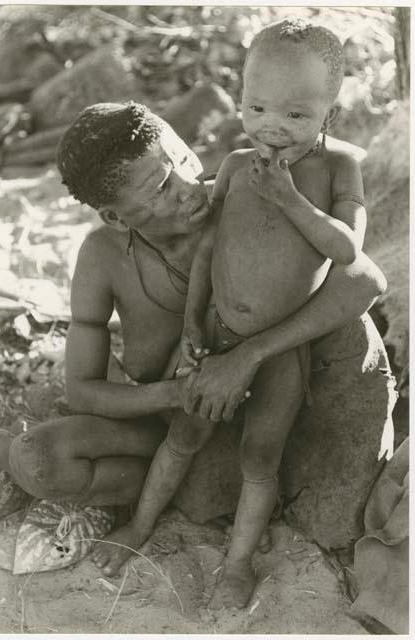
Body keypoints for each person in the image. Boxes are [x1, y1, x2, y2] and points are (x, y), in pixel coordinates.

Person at [0, 96, 385, 604]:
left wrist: (245, 358)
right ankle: (168, 498)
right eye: (159, 188)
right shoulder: (104, 256)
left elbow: (365, 277)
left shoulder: (248, 192)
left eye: (180, 160)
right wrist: (180, 392)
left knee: (229, 472)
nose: (186, 189)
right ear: (115, 218)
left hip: (260, 414)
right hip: (173, 418)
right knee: (38, 460)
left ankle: (210, 504)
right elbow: (84, 390)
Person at [85, 18, 376, 610]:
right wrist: (193, 325)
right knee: (183, 435)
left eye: (296, 116)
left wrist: (290, 200)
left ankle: (238, 563)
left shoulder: (338, 169)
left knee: (259, 459)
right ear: (240, 98)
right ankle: (140, 526)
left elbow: (348, 252)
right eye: (258, 106)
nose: (272, 126)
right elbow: (212, 252)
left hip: (280, 353)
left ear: (330, 114)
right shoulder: (239, 166)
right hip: (214, 333)